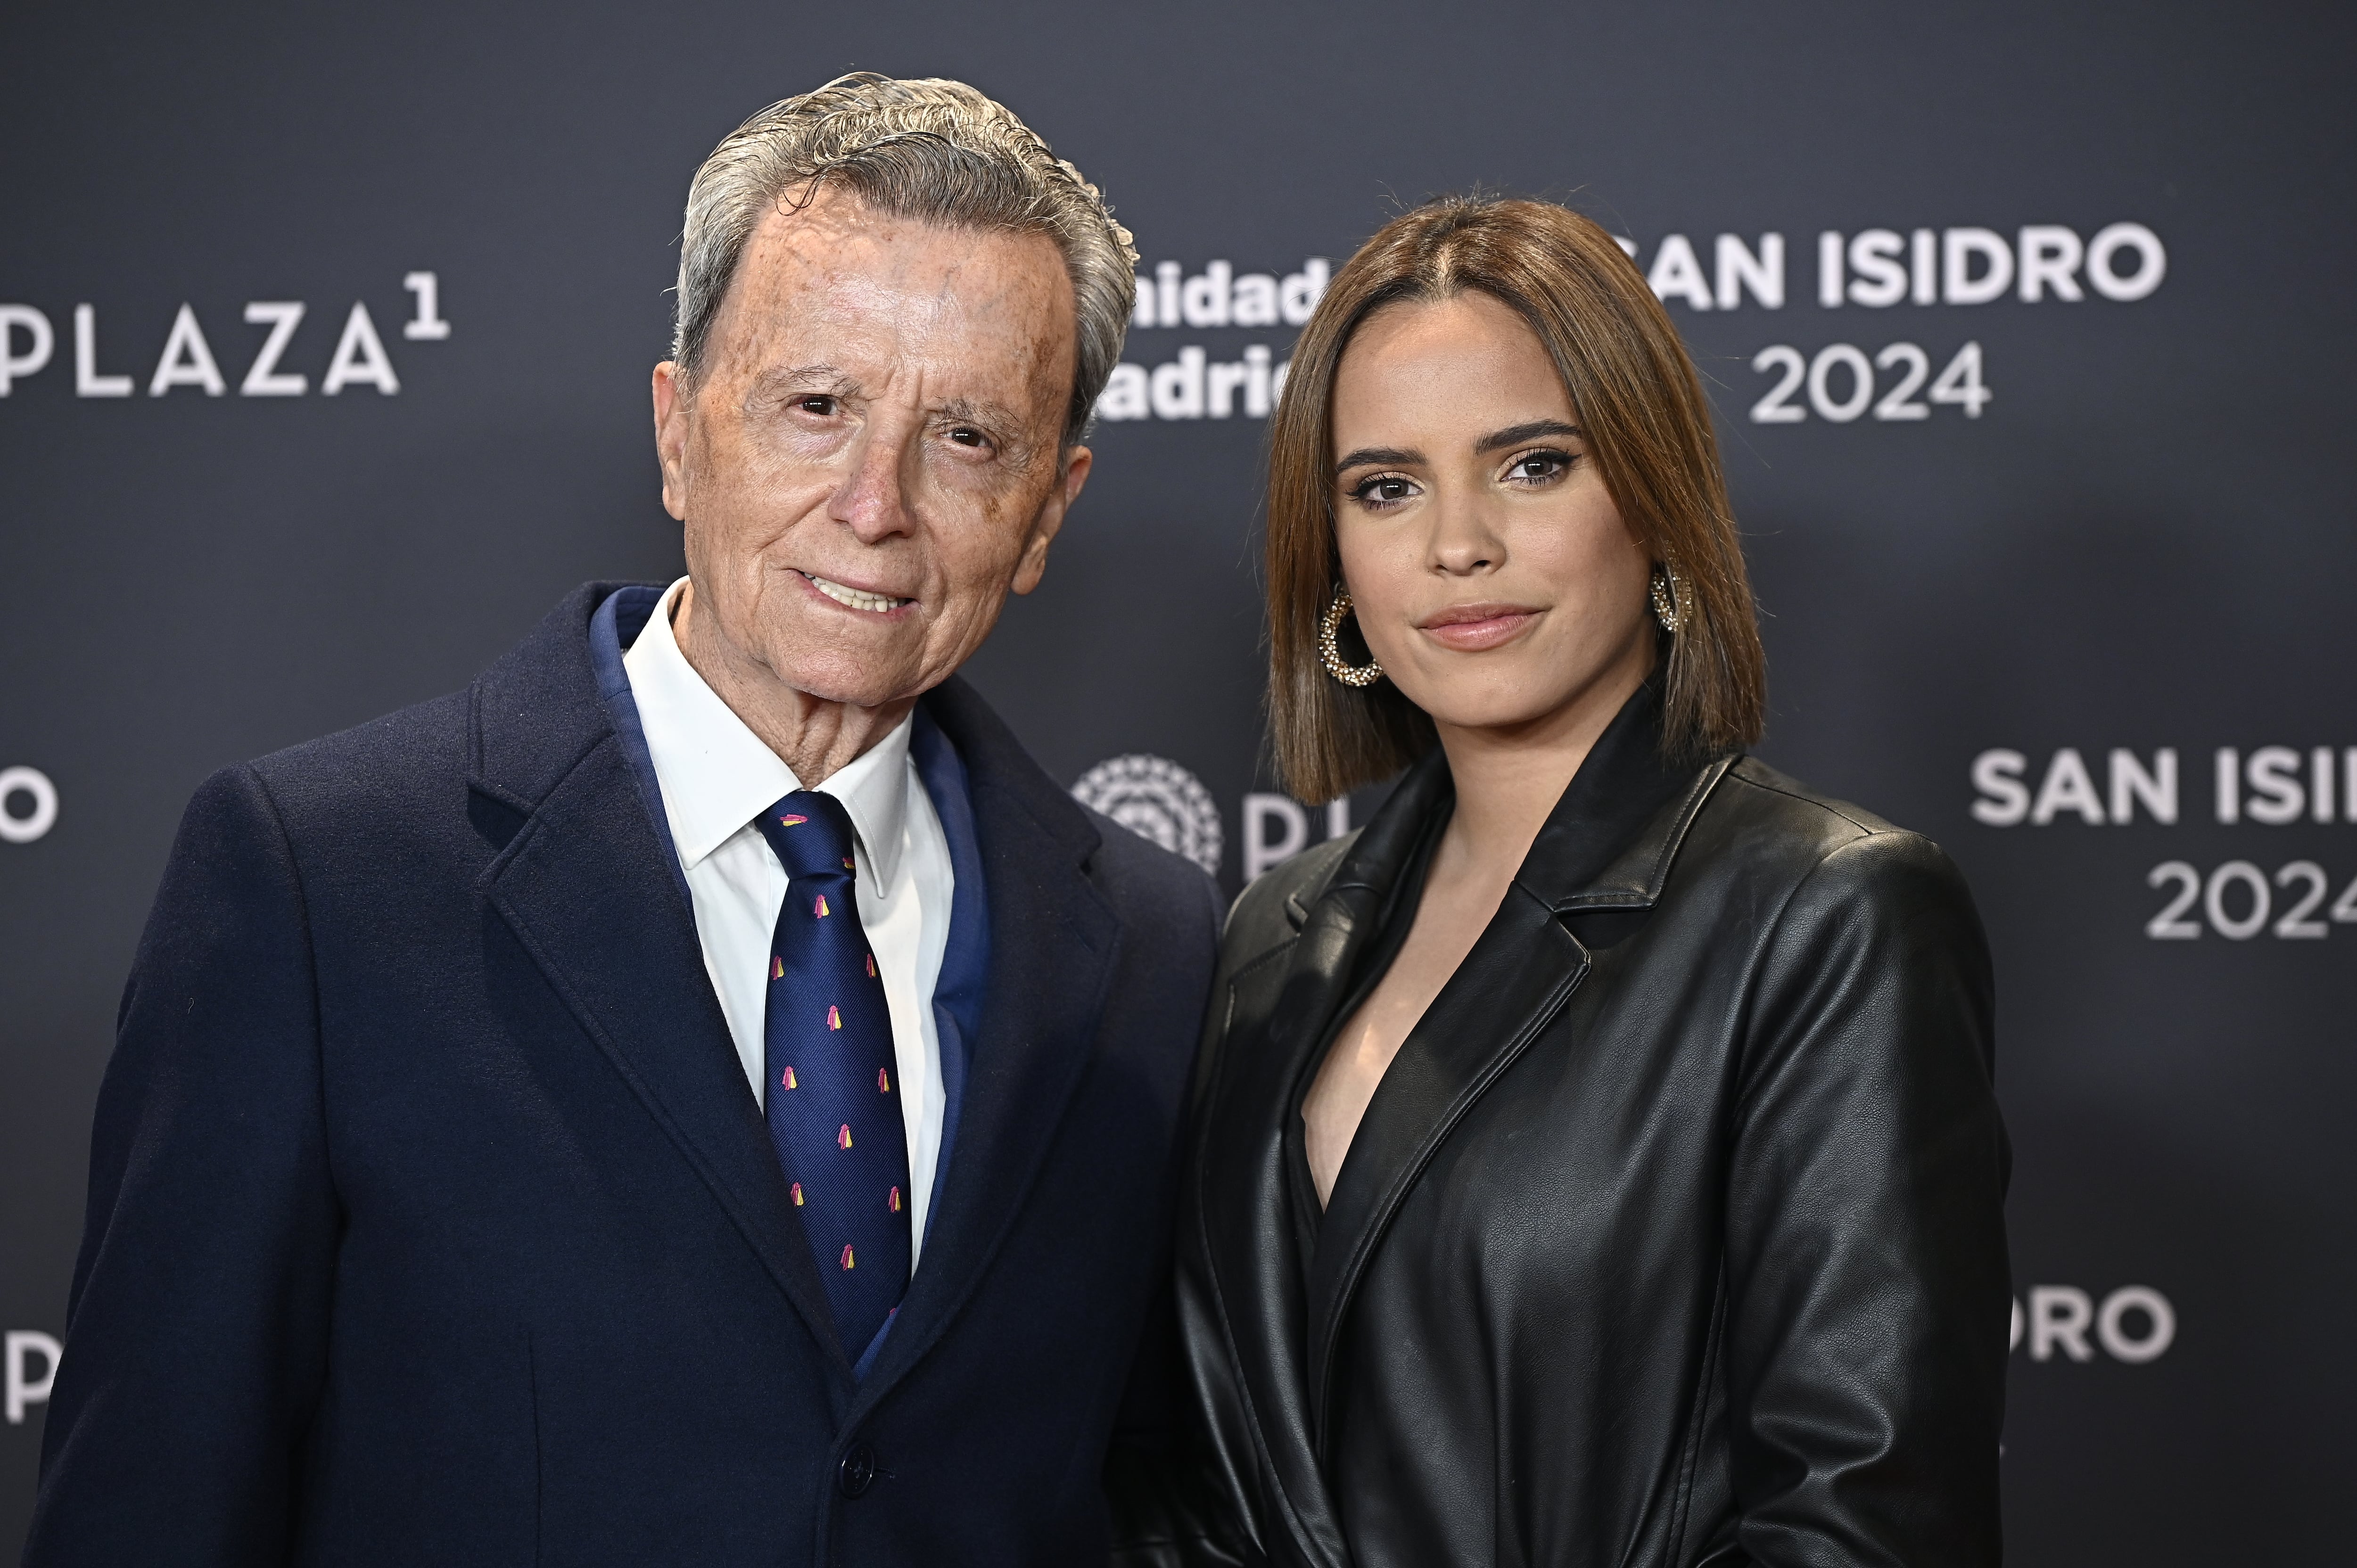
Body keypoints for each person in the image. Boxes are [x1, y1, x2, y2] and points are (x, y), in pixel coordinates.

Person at [27, 75, 1221, 1567]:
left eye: (970, 437)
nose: (876, 504)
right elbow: (150, 1512)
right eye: (817, 404)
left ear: (1049, 509)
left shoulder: (1155, 954)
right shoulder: (321, 882)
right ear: (678, 430)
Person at [1170, 197, 2010, 1568]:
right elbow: (1187, 1490)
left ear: (1656, 499)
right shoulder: (1276, 937)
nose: (1458, 546)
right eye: (1387, 487)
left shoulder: (1831, 917)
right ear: (1333, 562)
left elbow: (1866, 1528)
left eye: (1533, 466)